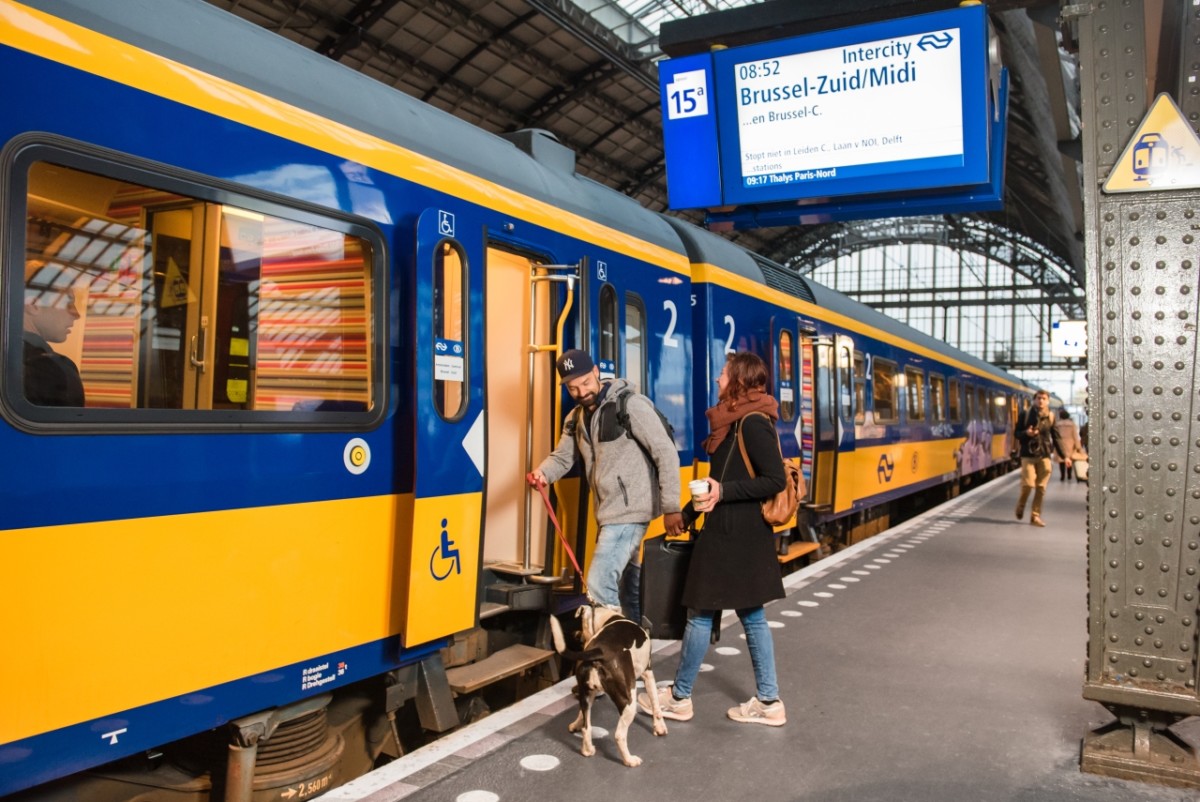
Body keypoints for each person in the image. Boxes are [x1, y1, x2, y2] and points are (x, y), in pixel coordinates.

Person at [638, 351, 788, 727]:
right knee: (750, 615)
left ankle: (679, 697)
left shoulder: (752, 423)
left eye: (723, 374)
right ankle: (768, 701)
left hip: (734, 537)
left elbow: (774, 480)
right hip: (734, 533)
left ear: (738, 380)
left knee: (701, 612)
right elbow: (716, 484)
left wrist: (724, 494)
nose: (718, 380)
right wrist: (686, 515)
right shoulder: (732, 423)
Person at [527, 349, 683, 624]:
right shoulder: (576, 418)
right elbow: (563, 457)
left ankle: (609, 658)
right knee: (627, 591)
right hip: (608, 512)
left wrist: (672, 507)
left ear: (597, 372)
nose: (581, 391)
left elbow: (665, 452)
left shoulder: (630, 405)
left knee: (599, 587)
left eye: (586, 382)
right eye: (573, 387)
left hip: (630, 511)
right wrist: (543, 474)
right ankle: (636, 657)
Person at [23, 286, 84, 406]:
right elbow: (68, 423)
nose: (76, 314)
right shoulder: (50, 366)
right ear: (33, 304)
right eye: (68, 303)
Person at [1015, 390, 1068, 527]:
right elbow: (1017, 434)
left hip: (1044, 455)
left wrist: (1065, 456)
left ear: (1047, 401)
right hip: (1028, 454)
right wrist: (1026, 433)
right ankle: (1021, 505)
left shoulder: (1050, 417)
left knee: (1041, 487)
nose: (1041, 401)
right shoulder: (1025, 415)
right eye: (1039, 398)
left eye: (1044, 398)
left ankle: (1035, 516)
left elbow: (1056, 437)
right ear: (1034, 400)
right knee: (1028, 485)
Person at [1053, 409, 1083, 482]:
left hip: (1060, 443)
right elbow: (1075, 436)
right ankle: (1069, 475)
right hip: (1070, 444)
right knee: (1069, 460)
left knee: (1062, 461)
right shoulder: (1072, 424)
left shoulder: (1057, 424)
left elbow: (1054, 436)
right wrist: (1078, 446)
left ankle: (1062, 476)